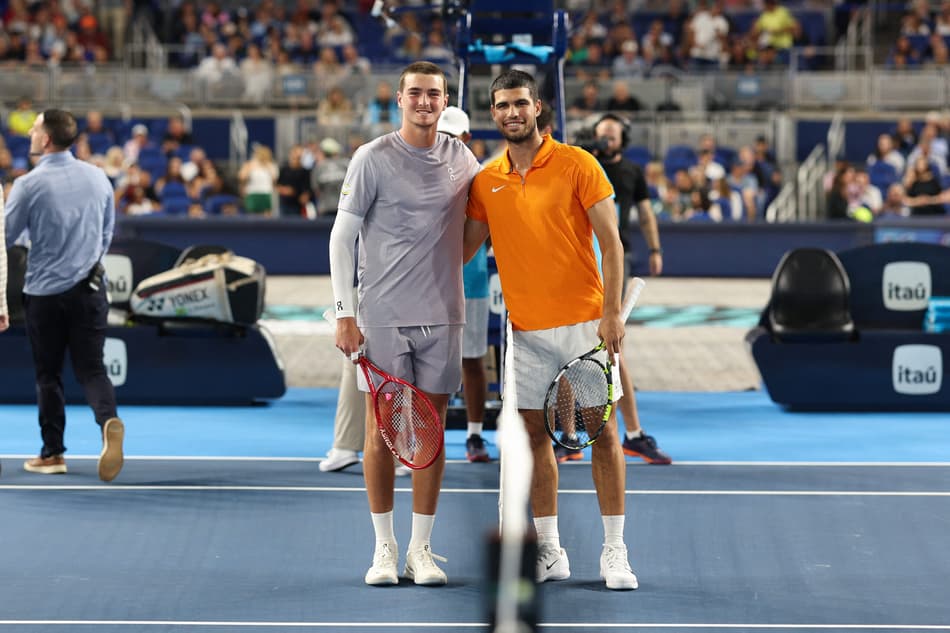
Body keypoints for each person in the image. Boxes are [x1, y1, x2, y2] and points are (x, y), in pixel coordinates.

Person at [464, 69, 638, 591]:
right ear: (492, 113)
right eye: (501, 106)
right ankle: (550, 551)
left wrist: (609, 314)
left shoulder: (577, 163)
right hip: (525, 332)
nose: (511, 113)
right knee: (536, 437)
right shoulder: (486, 180)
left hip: (584, 323)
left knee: (604, 434)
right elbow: (458, 252)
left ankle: (614, 552)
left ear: (537, 107)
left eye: (520, 103)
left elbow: (612, 244)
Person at [328, 61, 481, 587]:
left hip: (444, 315)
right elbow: (339, 239)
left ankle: (421, 550)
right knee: (381, 433)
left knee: (430, 435)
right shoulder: (370, 158)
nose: (424, 102)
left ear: (444, 100)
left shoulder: (464, 159)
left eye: (433, 94)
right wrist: (345, 313)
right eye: (415, 93)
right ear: (398, 99)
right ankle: (383, 550)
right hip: (382, 318)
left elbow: (481, 223)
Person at [2, 109, 125, 481]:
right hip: (90, 289)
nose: (31, 133)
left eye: (36, 128)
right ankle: (108, 421)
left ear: (46, 140)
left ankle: (52, 453)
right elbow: (106, 235)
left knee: (48, 376)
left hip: (45, 296)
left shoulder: (28, 184)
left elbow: (4, 238)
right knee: (92, 369)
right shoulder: (99, 177)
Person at [564, 113, 672, 466]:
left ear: (623, 139)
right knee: (564, 351)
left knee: (612, 349)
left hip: (608, 264)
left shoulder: (631, 173)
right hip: (574, 265)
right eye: (600, 136)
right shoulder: (578, 164)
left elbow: (645, 214)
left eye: (611, 136)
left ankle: (634, 434)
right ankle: (568, 435)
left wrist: (655, 248)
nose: (605, 141)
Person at [436, 105, 492, 463]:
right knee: (432, 365)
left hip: (470, 283)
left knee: (473, 360)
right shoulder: (416, 172)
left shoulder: (481, 178)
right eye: (442, 136)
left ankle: (474, 435)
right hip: (427, 284)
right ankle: (429, 433)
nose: (445, 143)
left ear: (467, 138)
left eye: (453, 137)